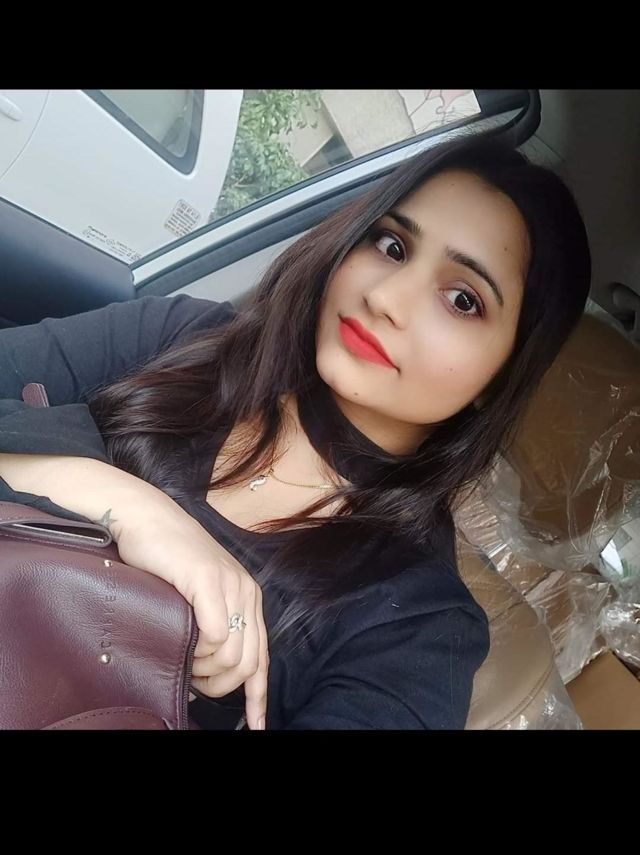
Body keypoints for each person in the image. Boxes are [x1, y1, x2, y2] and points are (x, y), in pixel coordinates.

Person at [0, 130, 591, 729]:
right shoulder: (186, 339)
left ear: (502, 375)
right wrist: (123, 504)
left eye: (463, 300)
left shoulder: (417, 626)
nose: (386, 297)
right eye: (391, 245)